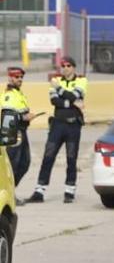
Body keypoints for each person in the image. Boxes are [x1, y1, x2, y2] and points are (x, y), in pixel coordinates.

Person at [28, 56, 87, 203]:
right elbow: (54, 101)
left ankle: (69, 191)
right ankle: (39, 191)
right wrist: (72, 103)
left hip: (73, 125)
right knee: (48, 156)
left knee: (71, 158)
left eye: (68, 65)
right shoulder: (56, 79)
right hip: (57, 125)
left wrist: (60, 91)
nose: (65, 68)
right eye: (63, 65)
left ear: (73, 67)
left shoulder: (81, 80)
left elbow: (75, 95)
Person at [2, 67, 34, 190]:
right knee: (12, 165)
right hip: (13, 132)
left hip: (21, 131)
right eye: (17, 77)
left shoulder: (18, 93)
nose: (20, 79)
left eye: (21, 77)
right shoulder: (9, 95)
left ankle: (10, 192)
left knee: (25, 163)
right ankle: (9, 193)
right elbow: (7, 116)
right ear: (10, 78)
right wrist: (24, 117)